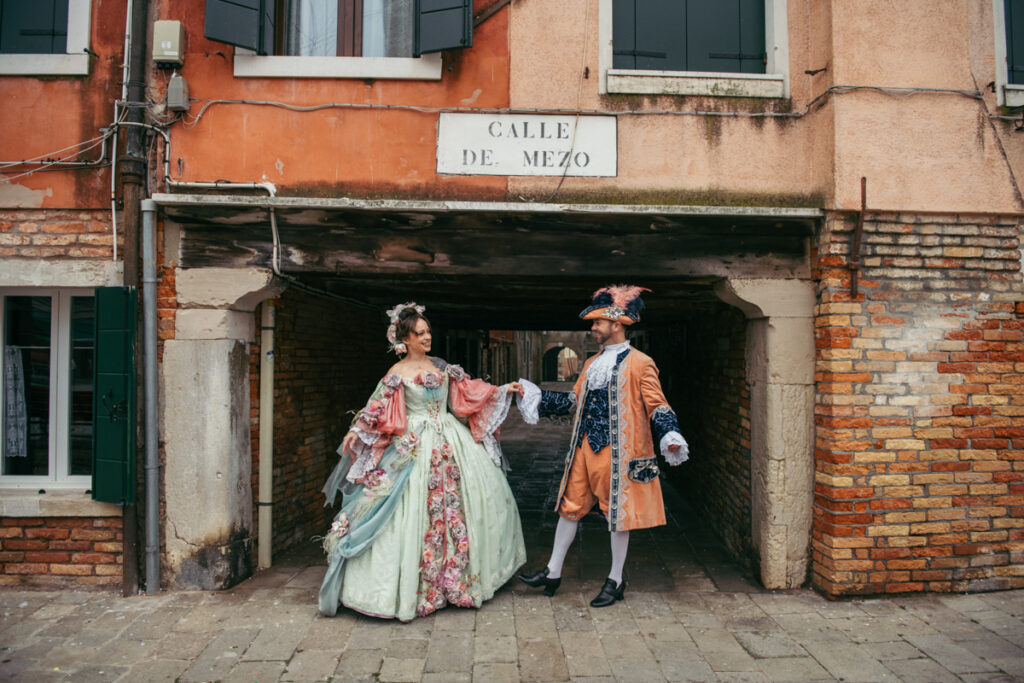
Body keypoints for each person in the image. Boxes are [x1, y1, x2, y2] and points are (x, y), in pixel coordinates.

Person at [318, 302, 526, 620]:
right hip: (413, 444)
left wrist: (500, 390)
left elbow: (468, 393)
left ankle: (457, 580)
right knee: (399, 510)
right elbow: (376, 406)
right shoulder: (396, 373)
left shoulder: (441, 367)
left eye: (428, 331)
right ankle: (413, 587)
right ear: (406, 340)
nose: (428, 337)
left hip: (450, 440)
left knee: (471, 504)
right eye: (420, 333)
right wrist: (356, 431)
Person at [515, 285, 689, 607]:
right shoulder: (592, 363)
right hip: (584, 449)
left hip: (619, 451)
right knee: (570, 507)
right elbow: (573, 401)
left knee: (618, 514)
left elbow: (658, 405)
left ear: (617, 323)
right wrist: (533, 394)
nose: (593, 328)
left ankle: (616, 579)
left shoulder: (641, 363)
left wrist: (670, 434)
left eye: (597, 322)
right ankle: (552, 571)